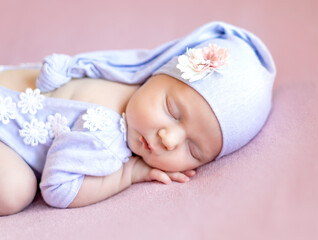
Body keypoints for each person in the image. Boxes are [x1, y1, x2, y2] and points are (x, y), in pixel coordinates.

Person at [0, 21, 276, 216]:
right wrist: (129, 173)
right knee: (15, 190)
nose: (169, 138)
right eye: (172, 110)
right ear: (159, 72)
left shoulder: (117, 75)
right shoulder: (108, 137)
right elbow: (57, 188)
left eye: (193, 150)